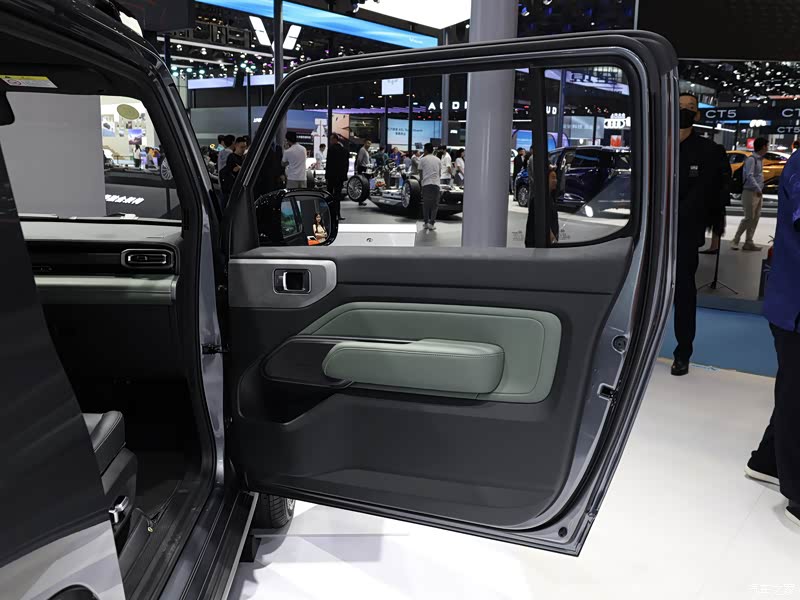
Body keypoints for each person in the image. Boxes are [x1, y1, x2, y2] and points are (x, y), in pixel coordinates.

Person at [745, 149, 800, 529]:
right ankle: (797, 495)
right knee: (797, 396)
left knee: (794, 388)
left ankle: (767, 461)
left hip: (790, 302)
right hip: (795, 305)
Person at [671, 92, 725, 377]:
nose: (684, 111)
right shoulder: (658, 145)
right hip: (652, 233)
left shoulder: (709, 151)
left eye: (690, 108)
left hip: (685, 235)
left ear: (697, 114)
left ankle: (683, 352)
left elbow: (708, 193)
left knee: (683, 292)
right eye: (680, 107)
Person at [731, 137, 768, 251]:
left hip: (757, 192)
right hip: (750, 192)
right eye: (767, 146)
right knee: (749, 218)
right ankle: (735, 240)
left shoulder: (760, 160)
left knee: (755, 218)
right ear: (763, 147)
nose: (767, 148)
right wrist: (757, 188)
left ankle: (749, 242)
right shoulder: (751, 159)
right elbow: (749, 175)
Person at [700, 143, 732, 254]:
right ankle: (715, 245)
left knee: (707, 220)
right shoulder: (725, 166)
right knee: (718, 222)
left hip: (711, 197)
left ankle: (711, 245)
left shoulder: (711, 165)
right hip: (720, 198)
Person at [325, 133, 349, 221]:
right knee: (337, 196)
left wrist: (326, 176)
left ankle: (329, 214)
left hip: (331, 177)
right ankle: (338, 214)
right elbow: (346, 165)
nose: (330, 141)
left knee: (329, 195)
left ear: (335, 139)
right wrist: (344, 176)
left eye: (331, 139)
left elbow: (328, 164)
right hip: (340, 177)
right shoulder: (344, 150)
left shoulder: (331, 149)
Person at [419, 143, 442, 231]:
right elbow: (439, 173)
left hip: (426, 184)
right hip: (436, 184)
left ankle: (426, 223)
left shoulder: (422, 160)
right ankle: (432, 224)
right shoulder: (438, 160)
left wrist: (422, 183)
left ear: (425, 150)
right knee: (434, 205)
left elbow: (420, 174)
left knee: (426, 205)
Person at [220, 136, 247, 206]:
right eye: (241, 147)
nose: (243, 149)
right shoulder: (231, 157)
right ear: (236, 146)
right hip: (232, 190)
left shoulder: (244, 158)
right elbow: (232, 170)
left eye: (245, 147)